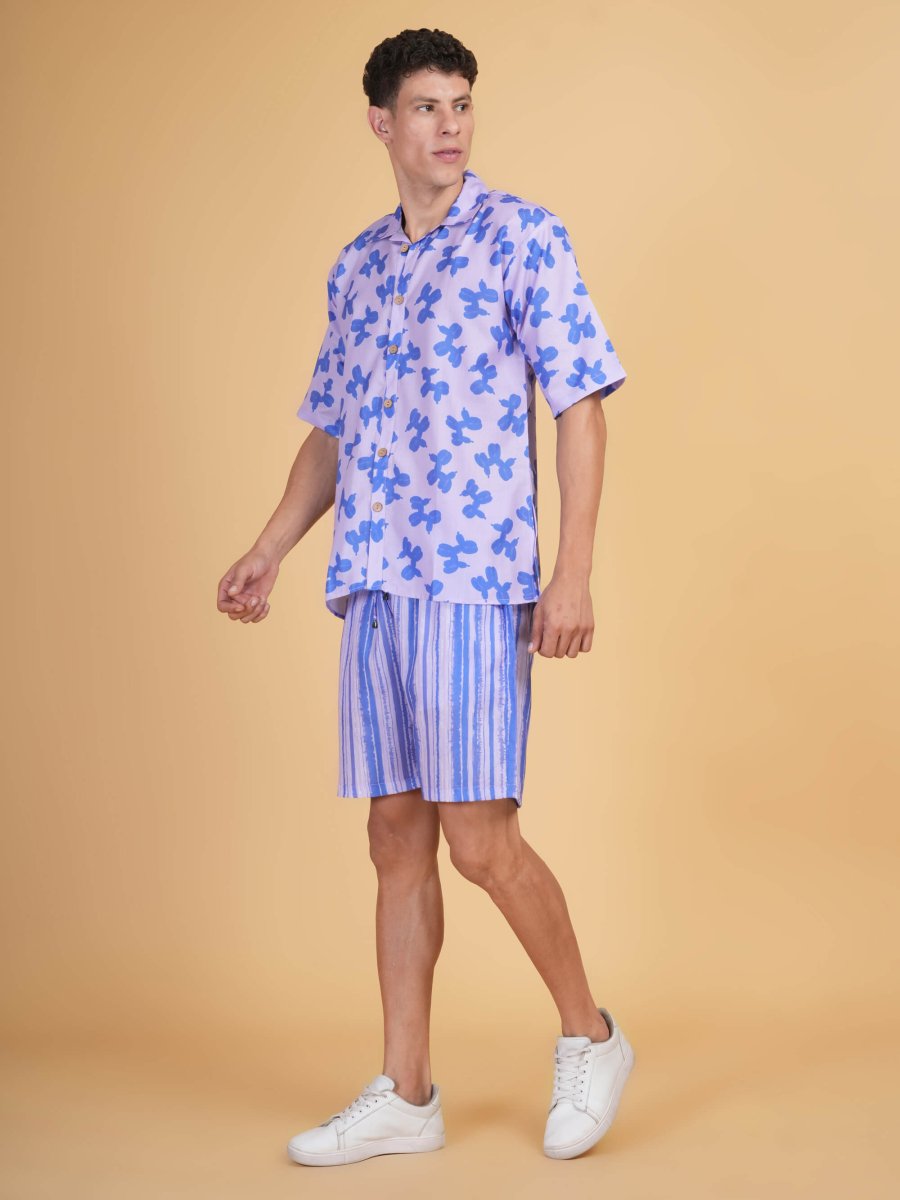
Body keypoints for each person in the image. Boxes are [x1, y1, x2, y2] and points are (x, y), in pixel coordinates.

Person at [216, 27, 635, 1166]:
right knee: (394, 836)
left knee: (480, 839)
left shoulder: (522, 236)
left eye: (462, 104)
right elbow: (333, 430)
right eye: (427, 107)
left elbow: (581, 402)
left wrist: (573, 569)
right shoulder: (356, 266)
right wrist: (271, 548)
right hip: (376, 582)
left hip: (472, 579)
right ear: (381, 123)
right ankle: (407, 1092)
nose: (450, 126)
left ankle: (591, 1036)